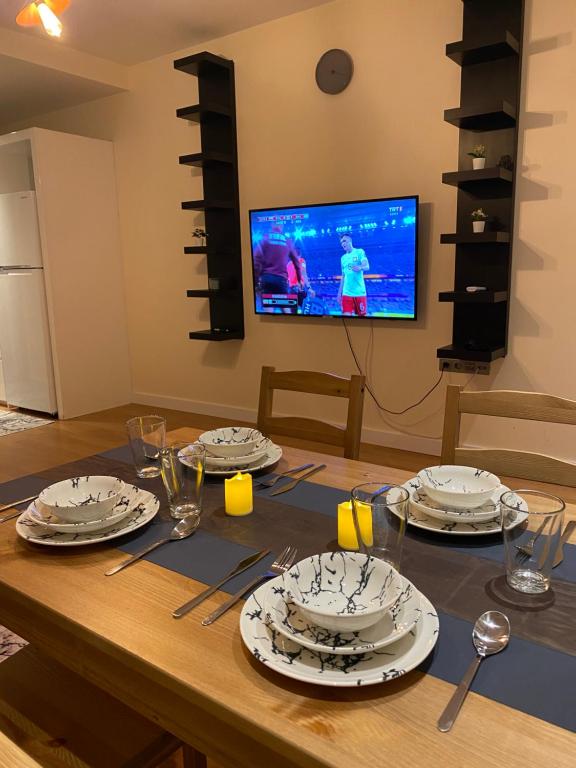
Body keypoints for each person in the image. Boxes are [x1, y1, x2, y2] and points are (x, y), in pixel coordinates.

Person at [253, 224, 303, 313]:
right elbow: (297, 262)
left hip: (267, 278)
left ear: (272, 225)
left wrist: (256, 281)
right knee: (286, 310)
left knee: (268, 311)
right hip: (281, 280)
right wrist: (299, 280)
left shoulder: (265, 238)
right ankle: (290, 326)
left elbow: (256, 259)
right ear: (282, 227)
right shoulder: (287, 240)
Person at [337, 234, 369, 316]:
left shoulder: (359, 252)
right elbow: (343, 276)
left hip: (359, 293)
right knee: (346, 321)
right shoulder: (343, 258)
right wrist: (339, 293)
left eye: (344, 241)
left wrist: (360, 267)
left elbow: (367, 266)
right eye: (341, 243)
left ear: (350, 241)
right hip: (346, 293)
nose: (342, 244)